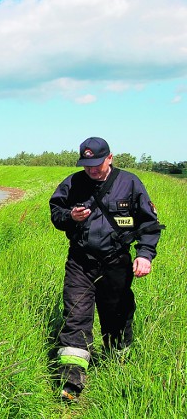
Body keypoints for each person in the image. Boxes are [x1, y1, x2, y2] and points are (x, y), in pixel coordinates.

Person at [49, 137, 164, 402]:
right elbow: (56, 213)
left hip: (116, 262)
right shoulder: (73, 183)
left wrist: (145, 255)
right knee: (76, 315)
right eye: (87, 165)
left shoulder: (130, 183)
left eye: (97, 164)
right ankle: (71, 382)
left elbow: (149, 224)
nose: (92, 170)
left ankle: (117, 368)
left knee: (117, 315)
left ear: (110, 158)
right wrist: (70, 217)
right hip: (81, 262)